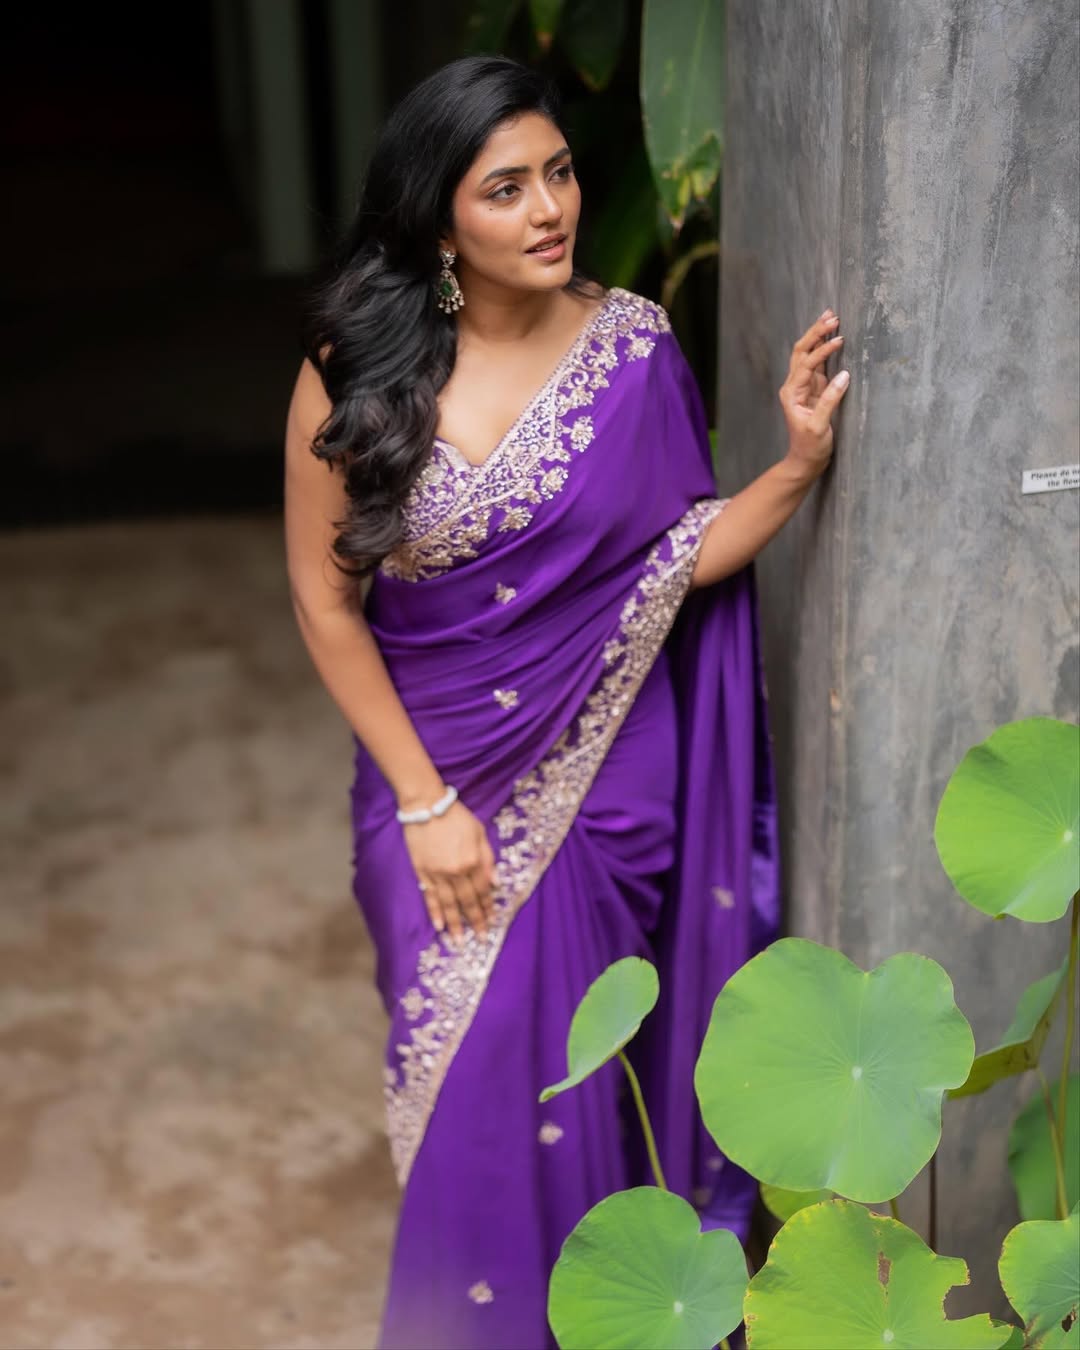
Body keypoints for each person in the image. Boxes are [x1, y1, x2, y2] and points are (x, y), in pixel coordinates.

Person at [284, 53, 849, 1350]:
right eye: (506, 188)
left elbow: (672, 561)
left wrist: (795, 466)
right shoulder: (353, 370)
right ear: (439, 220)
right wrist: (426, 804)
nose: (550, 209)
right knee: (474, 1108)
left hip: (603, 783)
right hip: (430, 781)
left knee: (588, 1096)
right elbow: (324, 602)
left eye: (560, 173)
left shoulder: (632, 351)